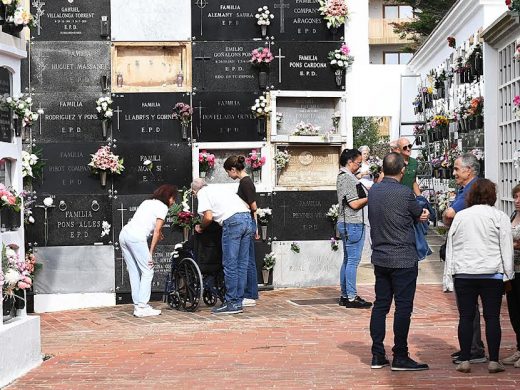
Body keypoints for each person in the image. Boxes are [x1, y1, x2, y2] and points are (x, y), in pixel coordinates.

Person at [444, 179, 514, 373]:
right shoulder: (500, 216)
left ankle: (465, 359)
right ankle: (493, 361)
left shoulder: (461, 216)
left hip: (464, 273)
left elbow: (452, 245)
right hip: (492, 273)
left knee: (466, 317)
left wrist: (449, 275)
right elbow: (506, 248)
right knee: (492, 317)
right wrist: (508, 274)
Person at [368, 152, 430, 371]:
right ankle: (400, 355)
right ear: (402, 171)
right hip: (403, 257)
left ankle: (377, 354)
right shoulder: (405, 193)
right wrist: (421, 214)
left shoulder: (374, 191)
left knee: (381, 305)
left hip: (381, 256)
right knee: (403, 307)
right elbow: (417, 212)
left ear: (383, 169)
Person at [442, 153, 487, 365]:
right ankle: (472, 345)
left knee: (469, 306)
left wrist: (447, 217)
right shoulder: (466, 188)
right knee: (471, 307)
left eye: (457, 169)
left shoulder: (472, 190)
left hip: (471, 255)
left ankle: (474, 349)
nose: (454, 173)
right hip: (474, 253)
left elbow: (450, 214)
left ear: (469, 170)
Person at [192, 178, 253, 314]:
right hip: (247, 219)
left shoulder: (203, 193)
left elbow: (208, 217)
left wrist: (200, 228)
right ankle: (238, 301)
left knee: (230, 264)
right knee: (242, 264)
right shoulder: (219, 189)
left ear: (194, 191)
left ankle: (231, 302)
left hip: (232, 222)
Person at [119, 184, 177, 317]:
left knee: (134, 271)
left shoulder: (147, 202)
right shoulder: (162, 207)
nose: (173, 202)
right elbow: (156, 232)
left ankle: (138, 305)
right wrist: (150, 253)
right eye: (173, 198)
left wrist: (158, 232)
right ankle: (142, 307)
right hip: (136, 238)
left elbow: (148, 223)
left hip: (125, 234)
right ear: (169, 197)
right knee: (148, 270)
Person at [336, 149, 371, 309]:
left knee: (347, 259)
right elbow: (354, 204)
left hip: (345, 223)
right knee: (353, 261)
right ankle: (351, 296)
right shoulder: (348, 179)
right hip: (353, 223)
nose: (359, 166)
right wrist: (371, 197)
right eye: (358, 163)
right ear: (349, 162)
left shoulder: (343, 176)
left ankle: (345, 295)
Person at [224, 155, 259, 307]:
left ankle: (249, 293)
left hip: (247, 221)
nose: (228, 175)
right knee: (245, 260)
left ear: (233, 169)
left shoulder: (245, 182)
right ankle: (247, 293)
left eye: (228, 172)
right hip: (248, 221)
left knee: (246, 260)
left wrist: (255, 227)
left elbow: (254, 207)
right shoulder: (246, 181)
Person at [502, 184, 520, 367]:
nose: (517, 201)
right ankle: (519, 348)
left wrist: (513, 245)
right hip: (512, 270)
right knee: (514, 311)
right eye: (515, 197)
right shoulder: (513, 216)